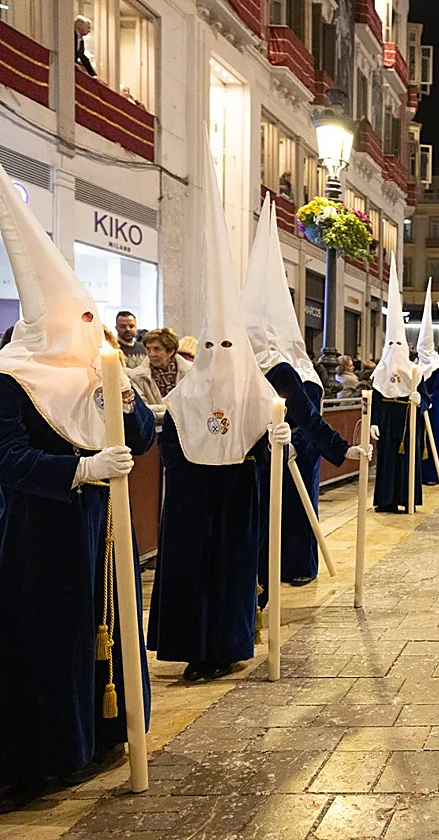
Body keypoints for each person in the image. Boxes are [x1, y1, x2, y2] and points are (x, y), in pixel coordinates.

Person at [0, 162, 155, 787]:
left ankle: (105, 732)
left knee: (107, 631)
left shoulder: (98, 371)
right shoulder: (12, 378)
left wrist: (128, 407)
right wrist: (80, 468)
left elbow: (139, 440)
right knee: (51, 637)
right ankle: (52, 751)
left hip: (104, 526)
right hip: (41, 533)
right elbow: (7, 459)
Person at [150, 146, 288, 683]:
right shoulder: (185, 395)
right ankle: (191, 649)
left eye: (230, 345)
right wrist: (191, 467)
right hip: (190, 499)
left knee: (230, 572)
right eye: (212, 344)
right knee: (190, 572)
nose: (220, 353)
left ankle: (228, 646)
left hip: (235, 499)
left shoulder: (255, 391)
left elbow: (267, 442)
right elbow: (170, 442)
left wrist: (275, 440)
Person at [242, 197, 365, 586]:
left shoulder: (285, 370)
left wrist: (333, 447)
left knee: (293, 510)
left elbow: (307, 416)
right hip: (252, 456)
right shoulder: (237, 367)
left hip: (295, 450)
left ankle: (296, 566)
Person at [372, 256, 426, 513]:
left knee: (406, 461)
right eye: (390, 345)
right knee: (387, 461)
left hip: (407, 421)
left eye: (398, 345)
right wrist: (373, 422)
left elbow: (425, 399)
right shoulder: (379, 374)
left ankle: (407, 498)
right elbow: (374, 399)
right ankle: (386, 500)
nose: (394, 349)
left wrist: (419, 400)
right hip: (386, 423)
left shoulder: (416, 373)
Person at [415, 283, 439, 484]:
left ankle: (432, 474)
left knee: (431, 438)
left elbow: (437, 390)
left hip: (432, 409)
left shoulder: (437, 366)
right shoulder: (417, 365)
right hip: (420, 408)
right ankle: (419, 473)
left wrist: (429, 403)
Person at [128, 327, 191, 414]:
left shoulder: (190, 372)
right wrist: (174, 410)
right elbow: (143, 409)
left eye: (157, 349)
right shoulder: (135, 376)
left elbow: (193, 403)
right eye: (148, 349)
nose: (151, 354)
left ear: (171, 351)